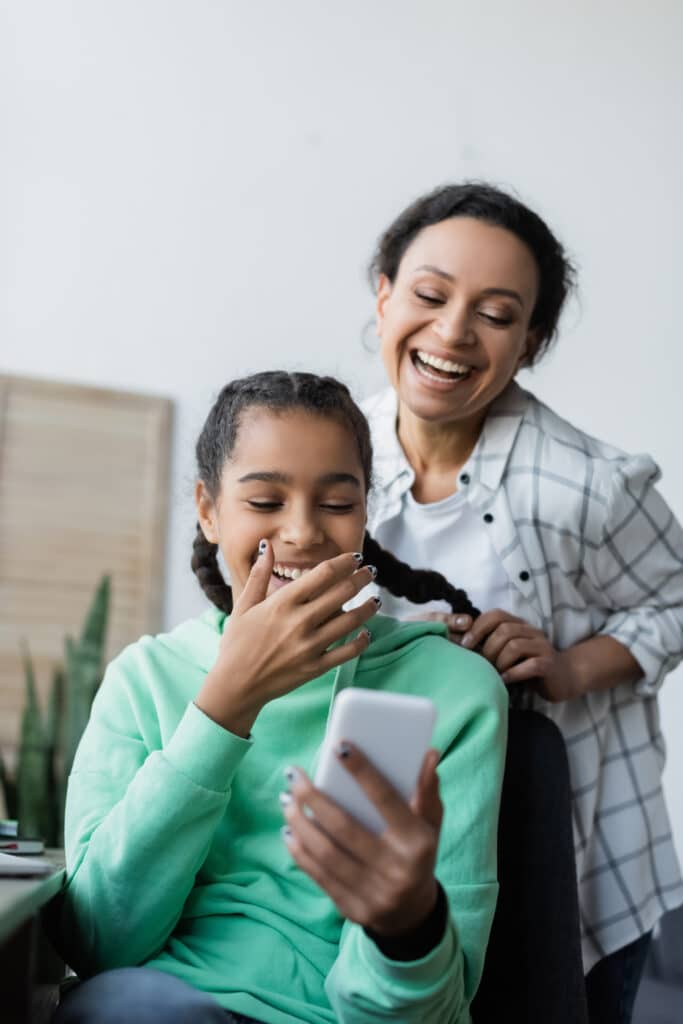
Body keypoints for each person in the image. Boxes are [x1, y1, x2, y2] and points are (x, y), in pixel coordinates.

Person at [53, 371, 507, 1024]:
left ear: (365, 512)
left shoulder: (452, 691)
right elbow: (99, 943)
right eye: (265, 500)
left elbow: (433, 1011)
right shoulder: (143, 679)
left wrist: (406, 921)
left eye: (335, 502)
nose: (300, 532)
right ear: (208, 509)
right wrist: (224, 706)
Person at [361, 181, 683, 1023]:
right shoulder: (329, 461)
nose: (452, 332)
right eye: (429, 295)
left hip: (565, 855)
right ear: (384, 293)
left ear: (531, 341)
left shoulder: (590, 482)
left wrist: (571, 666)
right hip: (384, 847)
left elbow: (677, 599)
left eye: (496, 314)